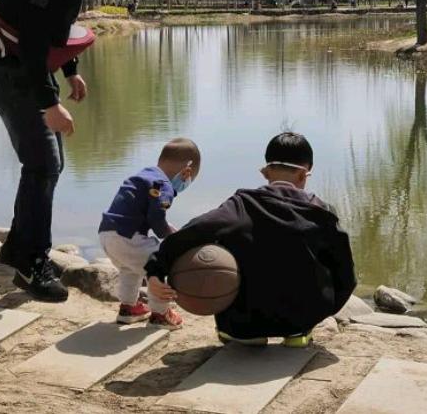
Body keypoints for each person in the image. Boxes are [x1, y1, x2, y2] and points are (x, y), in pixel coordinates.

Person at [0, 0, 144, 302]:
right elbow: (34, 51)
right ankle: (33, 262)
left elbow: (57, 34)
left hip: (27, 70)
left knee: (47, 164)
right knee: (44, 163)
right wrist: (50, 104)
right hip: (10, 73)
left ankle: (18, 250)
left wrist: (70, 69)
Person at [145, 132, 356, 347]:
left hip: (243, 323)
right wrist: (320, 309)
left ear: (265, 172)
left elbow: (186, 235)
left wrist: (155, 271)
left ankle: (243, 335)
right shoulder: (322, 214)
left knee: (223, 250)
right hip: (300, 320)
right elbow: (346, 277)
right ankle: (297, 334)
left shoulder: (239, 207)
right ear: (304, 175)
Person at [99, 138, 201, 330]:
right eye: (188, 179)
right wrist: (172, 238)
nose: (185, 183)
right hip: (128, 237)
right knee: (159, 261)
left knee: (130, 269)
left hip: (107, 235)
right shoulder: (164, 186)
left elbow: (146, 213)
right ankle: (160, 313)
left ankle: (128, 308)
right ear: (186, 171)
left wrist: (167, 226)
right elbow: (158, 221)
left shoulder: (145, 176)